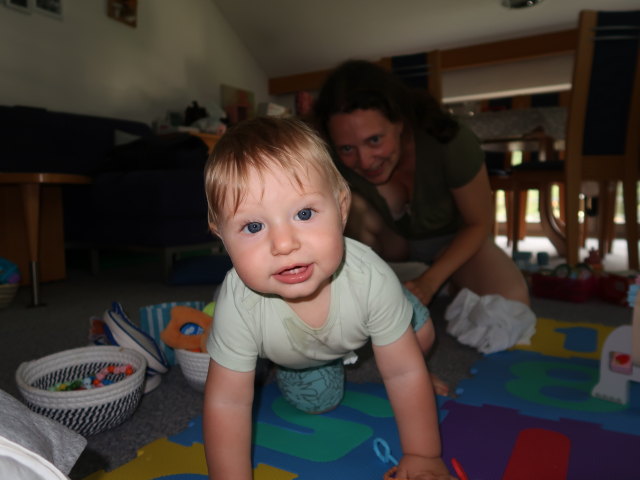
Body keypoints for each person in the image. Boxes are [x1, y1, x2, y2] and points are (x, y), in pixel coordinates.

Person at [202, 116, 456, 480]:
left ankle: (403, 313)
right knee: (317, 404)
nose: (285, 244)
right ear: (222, 236)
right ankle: (292, 358)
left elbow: (401, 371)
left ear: (341, 208)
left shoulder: (370, 276)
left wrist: (423, 454)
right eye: (253, 227)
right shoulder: (237, 302)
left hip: (368, 313)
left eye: (304, 214)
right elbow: (227, 401)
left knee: (418, 340)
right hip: (303, 356)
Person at [313, 60, 530, 309]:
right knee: (348, 207)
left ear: (400, 122)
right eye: (348, 148)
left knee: (512, 301)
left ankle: (446, 280)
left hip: (453, 242)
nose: (364, 161)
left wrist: (430, 281)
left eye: (374, 140)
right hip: (390, 245)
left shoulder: (450, 142)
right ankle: (369, 285)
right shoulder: (329, 157)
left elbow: (478, 223)